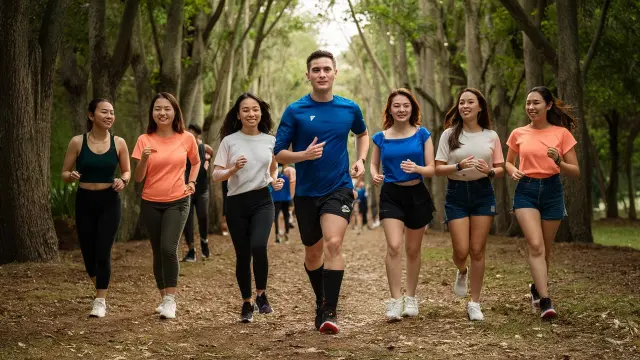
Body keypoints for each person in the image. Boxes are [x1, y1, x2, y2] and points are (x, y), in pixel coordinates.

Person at [274, 50, 369, 334]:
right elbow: (278, 153)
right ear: (308, 75)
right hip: (305, 192)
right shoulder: (295, 110)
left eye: (327, 69)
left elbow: (362, 134)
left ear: (335, 73)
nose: (322, 74)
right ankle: (321, 298)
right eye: (316, 70)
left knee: (333, 244)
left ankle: (330, 311)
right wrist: (303, 155)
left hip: (339, 187)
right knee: (313, 253)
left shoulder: (349, 108)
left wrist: (361, 159)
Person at [505, 86, 580, 319]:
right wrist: (513, 171)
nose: (531, 107)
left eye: (536, 102)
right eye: (528, 103)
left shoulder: (561, 134)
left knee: (545, 249)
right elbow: (508, 162)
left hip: (552, 191)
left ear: (548, 106)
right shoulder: (518, 133)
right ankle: (546, 302)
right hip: (526, 191)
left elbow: (575, 171)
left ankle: (537, 287)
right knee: (535, 245)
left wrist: (558, 160)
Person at [212, 93, 284, 323]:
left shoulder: (270, 141)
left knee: (258, 245)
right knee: (243, 255)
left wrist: (275, 180)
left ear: (260, 112)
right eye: (245, 110)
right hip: (236, 203)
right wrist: (232, 169)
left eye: (255, 109)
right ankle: (246, 303)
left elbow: (273, 169)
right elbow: (216, 175)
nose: (251, 114)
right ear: (238, 114)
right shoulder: (229, 141)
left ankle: (261, 294)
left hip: (262, 200)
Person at [435, 88, 504, 321]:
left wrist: (491, 171)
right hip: (456, 193)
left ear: (480, 107)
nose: (465, 106)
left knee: (477, 250)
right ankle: (461, 271)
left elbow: (501, 167)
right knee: (461, 250)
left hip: (483, 192)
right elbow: (437, 168)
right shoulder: (449, 135)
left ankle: (474, 303)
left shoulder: (491, 135)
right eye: (461, 102)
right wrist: (458, 167)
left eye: (470, 102)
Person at [132, 92, 200, 320]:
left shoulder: (186, 138)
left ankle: (171, 300)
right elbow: (138, 178)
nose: (162, 113)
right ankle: (163, 298)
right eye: (157, 109)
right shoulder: (144, 139)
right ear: (152, 113)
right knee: (157, 250)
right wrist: (143, 159)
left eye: (167, 108)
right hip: (151, 201)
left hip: (178, 200)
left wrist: (191, 181)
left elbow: (196, 161)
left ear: (174, 112)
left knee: (169, 248)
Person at [370, 88, 435, 322]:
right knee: (394, 246)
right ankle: (395, 301)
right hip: (391, 195)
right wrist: (375, 175)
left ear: (412, 108)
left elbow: (432, 168)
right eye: (396, 106)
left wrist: (417, 169)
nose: (401, 109)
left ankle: (411, 298)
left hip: (417, 193)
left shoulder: (422, 134)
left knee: (413, 250)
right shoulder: (381, 137)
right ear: (390, 109)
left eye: (405, 105)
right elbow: (374, 166)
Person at [61, 98, 130, 318]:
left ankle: (100, 300)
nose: (109, 116)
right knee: (88, 253)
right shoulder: (77, 142)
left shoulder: (119, 143)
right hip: (85, 201)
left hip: (110, 201)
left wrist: (123, 180)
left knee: (103, 249)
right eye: (104, 112)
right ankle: (100, 284)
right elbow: (64, 173)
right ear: (91, 115)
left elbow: (127, 171)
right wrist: (70, 176)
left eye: (112, 112)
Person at [182, 124, 214, 262]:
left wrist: (207, 161)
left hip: (202, 190)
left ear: (197, 136)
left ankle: (204, 244)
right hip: (186, 190)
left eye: (192, 134)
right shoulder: (182, 149)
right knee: (187, 221)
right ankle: (191, 251)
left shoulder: (202, 148)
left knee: (203, 217)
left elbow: (210, 153)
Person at [271, 164, 293, 243]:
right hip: (286, 199)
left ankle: (277, 235)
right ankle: (286, 233)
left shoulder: (273, 178)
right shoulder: (287, 177)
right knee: (286, 217)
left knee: (276, 218)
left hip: (276, 199)